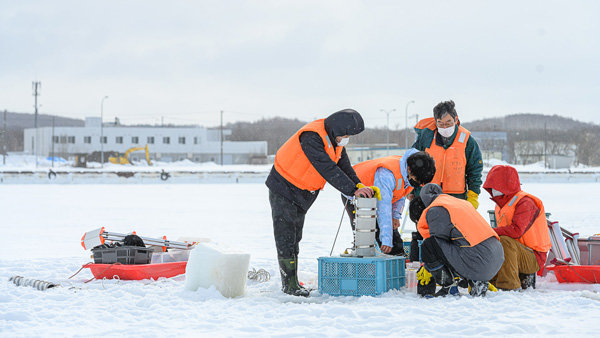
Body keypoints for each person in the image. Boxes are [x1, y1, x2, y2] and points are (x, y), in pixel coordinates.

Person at [266, 109, 374, 297]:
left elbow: (344, 167)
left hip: (302, 192)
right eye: (346, 134)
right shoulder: (312, 137)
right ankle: (289, 284)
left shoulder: (335, 142)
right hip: (283, 187)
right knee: (286, 237)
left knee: (295, 237)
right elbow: (326, 168)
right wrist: (351, 190)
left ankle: (292, 280)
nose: (346, 138)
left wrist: (359, 185)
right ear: (338, 128)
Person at [409, 183, 504, 297]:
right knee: (453, 245)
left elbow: (436, 246)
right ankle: (476, 280)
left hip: (478, 259)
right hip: (495, 257)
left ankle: (449, 287)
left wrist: (429, 267)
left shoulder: (435, 210)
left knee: (429, 246)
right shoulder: (456, 203)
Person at [342, 150, 436, 255]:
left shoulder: (409, 174)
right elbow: (383, 208)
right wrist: (386, 239)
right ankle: (363, 258)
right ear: (409, 170)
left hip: (377, 196)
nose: (416, 183)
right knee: (365, 233)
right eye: (416, 180)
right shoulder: (386, 174)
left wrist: (395, 216)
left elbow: (400, 195)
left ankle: (396, 253)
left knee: (392, 238)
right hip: (355, 192)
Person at [483, 165, 552, 291]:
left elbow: (516, 231)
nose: (493, 190)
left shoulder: (525, 202)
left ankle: (508, 285)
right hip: (518, 251)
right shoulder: (501, 206)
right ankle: (491, 281)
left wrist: (489, 231)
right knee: (493, 243)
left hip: (534, 256)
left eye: (495, 186)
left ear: (504, 184)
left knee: (503, 241)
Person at [411, 100, 483, 209]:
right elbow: (412, 165)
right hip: (427, 195)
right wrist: (411, 189)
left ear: (456, 119)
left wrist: (473, 195)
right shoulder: (425, 138)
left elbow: (474, 170)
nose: (444, 127)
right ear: (435, 121)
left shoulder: (467, 141)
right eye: (440, 123)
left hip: (456, 197)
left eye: (448, 123)